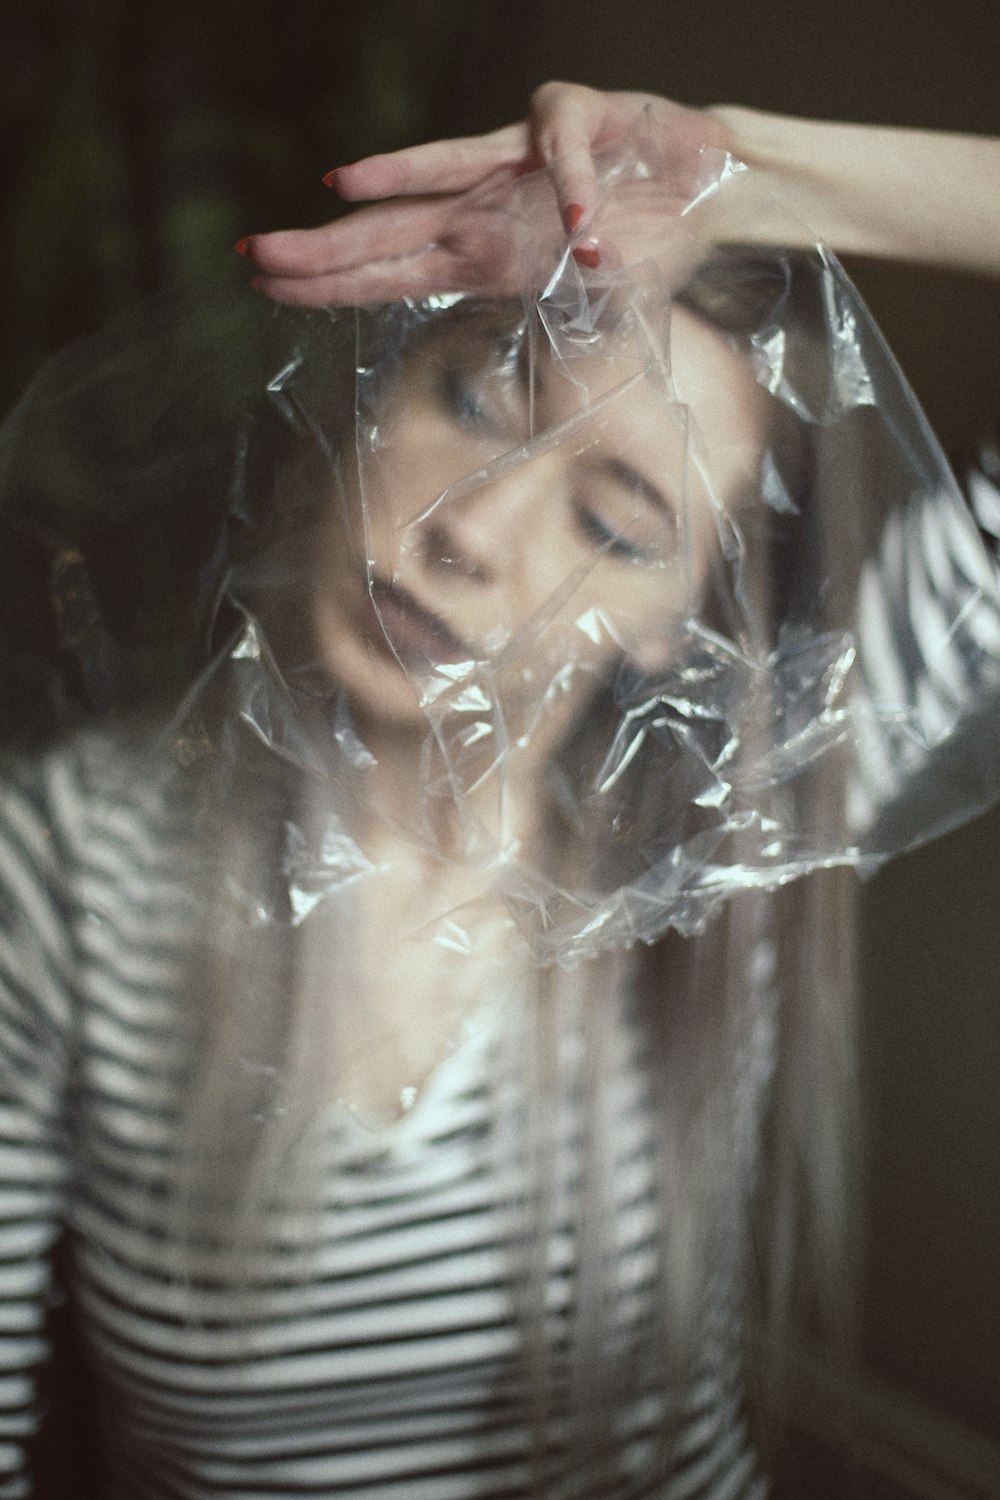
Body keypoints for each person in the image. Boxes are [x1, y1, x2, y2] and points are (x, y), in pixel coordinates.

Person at [0, 83, 998, 1500]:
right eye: (471, 398)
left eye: (611, 520)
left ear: (686, 618)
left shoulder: (738, 832)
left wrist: (757, 176)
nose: (466, 528)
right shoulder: (66, 857)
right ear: (374, 382)